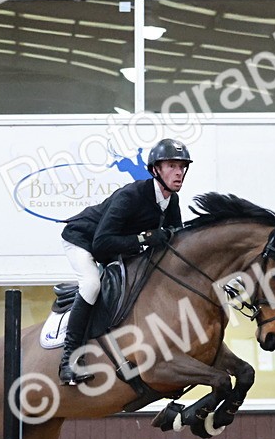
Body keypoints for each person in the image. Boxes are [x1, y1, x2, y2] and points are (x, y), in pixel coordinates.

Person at [57, 137, 191, 385]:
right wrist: (145, 237)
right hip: (83, 239)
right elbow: (101, 243)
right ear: (155, 170)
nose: (179, 172)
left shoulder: (171, 200)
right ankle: (68, 362)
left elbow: (176, 240)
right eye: (172, 165)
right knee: (91, 285)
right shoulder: (131, 195)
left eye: (182, 166)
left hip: (112, 248)